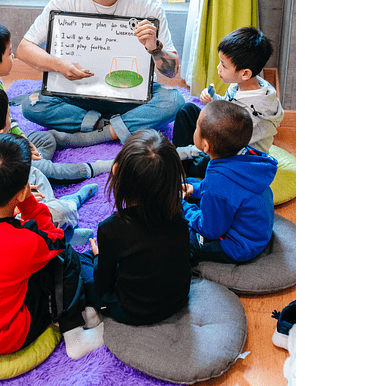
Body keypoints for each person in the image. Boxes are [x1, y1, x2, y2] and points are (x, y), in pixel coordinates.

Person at [14, 0, 186, 145]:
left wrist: (154, 48)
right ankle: (114, 127)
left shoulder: (147, 4)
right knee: (31, 105)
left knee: (174, 101)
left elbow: (171, 72)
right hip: (77, 92)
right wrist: (58, 65)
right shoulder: (66, 0)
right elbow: (23, 48)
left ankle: (93, 132)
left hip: (129, 95)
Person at [0, 132, 105, 358]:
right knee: (64, 257)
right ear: (21, 192)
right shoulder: (24, 241)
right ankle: (75, 334)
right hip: (5, 337)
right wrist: (28, 203)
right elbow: (56, 239)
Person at [0, 84, 97, 246]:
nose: (11, 119)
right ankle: (64, 227)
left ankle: (53, 215)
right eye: (9, 115)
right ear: (0, 134)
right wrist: (14, 205)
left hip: (2, 198)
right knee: (61, 212)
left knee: (33, 173)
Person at [0, 20, 113, 183]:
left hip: (9, 144)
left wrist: (23, 139)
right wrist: (20, 154)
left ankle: (104, 134)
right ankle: (97, 167)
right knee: (46, 169)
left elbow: (8, 120)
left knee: (47, 138)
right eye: (9, 53)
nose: (13, 56)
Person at [80, 130, 191, 325]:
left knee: (80, 263)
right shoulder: (179, 214)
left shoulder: (110, 228)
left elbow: (104, 283)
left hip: (132, 311)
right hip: (178, 301)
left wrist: (99, 257)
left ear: (116, 171)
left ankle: (87, 320)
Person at [173, 26, 284, 178]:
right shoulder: (244, 84)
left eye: (224, 66)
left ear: (245, 73)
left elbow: (224, 142)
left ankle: (184, 169)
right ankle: (180, 163)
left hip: (239, 154)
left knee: (203, 164)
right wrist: (214, 100)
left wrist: (186, 152)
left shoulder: (253, 116)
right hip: (225, 132)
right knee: (187, 110)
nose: (218, 68)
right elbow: (227, 105)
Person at [181, 100, 278, 264]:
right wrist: (193, 190)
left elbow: (210, 230)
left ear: (205, 145)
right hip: (255, 229)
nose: (195, 129)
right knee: (191, 183)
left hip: (239, 244)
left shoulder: (217, 183)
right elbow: (221, 191)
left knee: (185, 237)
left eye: (197, 127)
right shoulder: (246, 155)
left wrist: (184, 206)